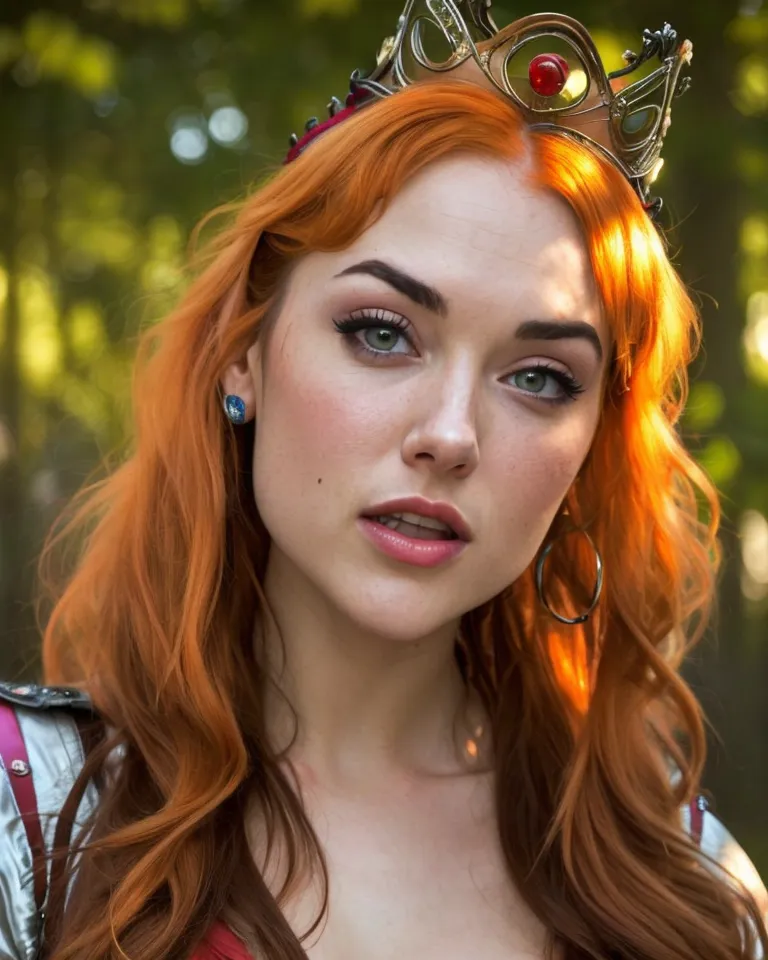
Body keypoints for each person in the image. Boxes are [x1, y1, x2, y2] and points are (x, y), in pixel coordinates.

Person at [1, 2, 766, 959]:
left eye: (539, 379)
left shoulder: (682, 876)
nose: (449, 436)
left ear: (587, 451)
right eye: (381, 332)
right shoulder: (32, 815)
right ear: (245, 356)